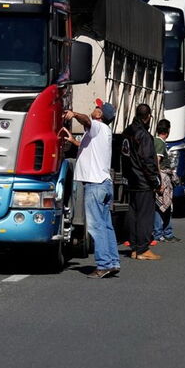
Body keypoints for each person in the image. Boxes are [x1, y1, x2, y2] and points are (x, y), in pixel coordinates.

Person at [67, 100, 121, 278]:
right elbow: (89, 150)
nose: (94, 109)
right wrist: (73, 141)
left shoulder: (97, 126)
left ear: (100, 115)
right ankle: (112, 262)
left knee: (96, 227)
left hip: (95, 185)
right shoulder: (101, 132)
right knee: (106, 226)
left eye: (97, 108)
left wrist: (74, 114)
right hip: (104, 183)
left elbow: (87, 121)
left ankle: (103, 264)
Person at [122, 103, 162, 260]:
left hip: (130, 179)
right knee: (145, 216)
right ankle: (143, 249)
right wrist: (155, 182)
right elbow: (147, 161)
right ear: (147, 117)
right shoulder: (143, 135)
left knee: (133, 214)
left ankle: (134, 247)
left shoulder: (127, 131)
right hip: (142, 181)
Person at [153, 119, 180, 243]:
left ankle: (163, 232)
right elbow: (157, 161)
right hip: (163, 176)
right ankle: (162, 232)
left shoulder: (155, 141)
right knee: (164, 206)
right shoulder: (160, 143)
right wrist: (161, 182)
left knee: (161, 206)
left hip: (160, 176)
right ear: (167, 131)